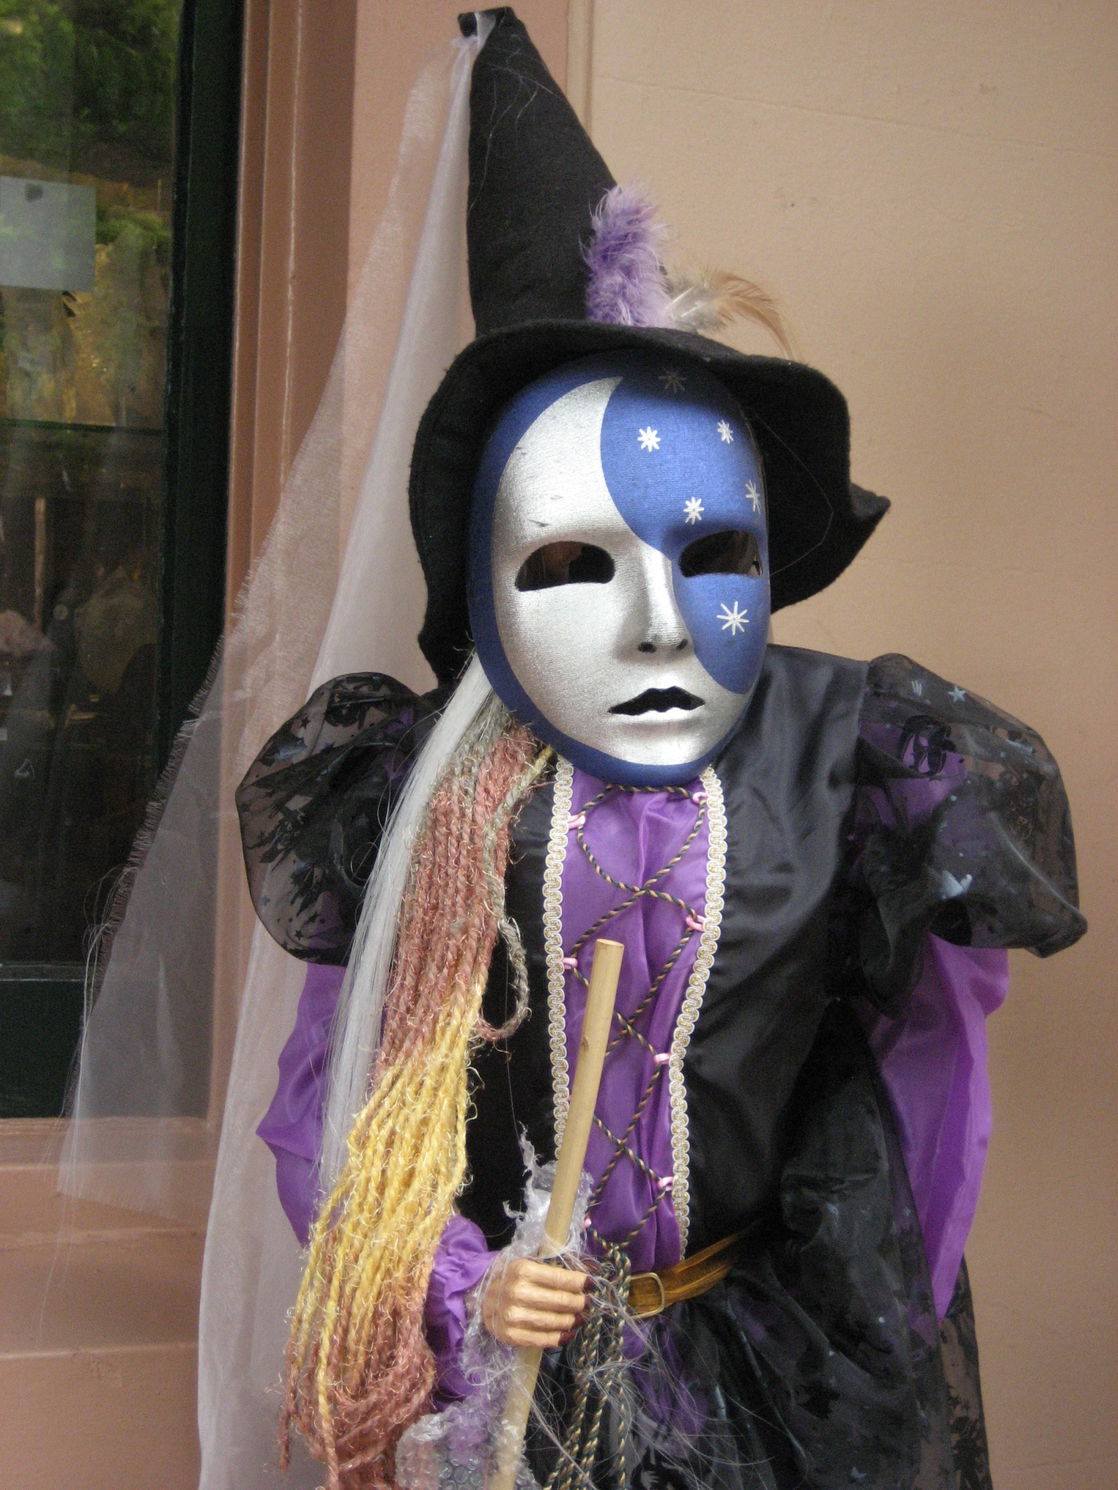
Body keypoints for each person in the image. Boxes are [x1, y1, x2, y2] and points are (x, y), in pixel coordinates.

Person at [236, 12, 1084, 1490]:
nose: (653, 625)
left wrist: (866, 1340)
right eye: (576, 563)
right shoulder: (419, 794)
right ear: (486, 581)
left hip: (755, 1381)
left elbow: (914, 1102)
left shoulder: (857, 766)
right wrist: (457, 1280)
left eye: (710, 558)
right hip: (512, 1390)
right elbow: (344, 1097)